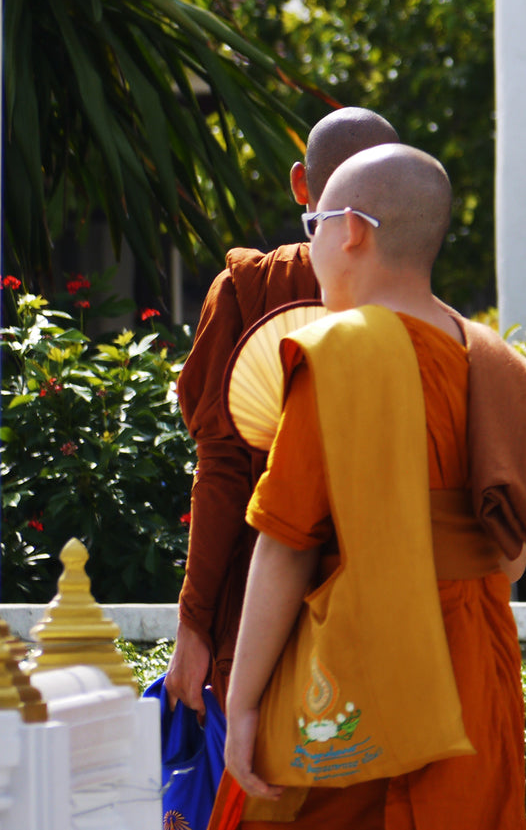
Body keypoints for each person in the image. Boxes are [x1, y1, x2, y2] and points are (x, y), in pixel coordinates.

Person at [217, 144, 526, 828]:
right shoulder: (500, 362)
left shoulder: (342, 352)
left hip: (367, 669)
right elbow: (514, 554)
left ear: (353, 230)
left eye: (314, 226)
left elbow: (285, 544)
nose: (309, 247)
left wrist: (244, 702)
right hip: (475, 678)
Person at [166, 107, 400, 718]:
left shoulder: (251, 288)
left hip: (256, 619)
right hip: (388, 621)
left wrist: (193, 623)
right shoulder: (428, 315)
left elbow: (222, 468)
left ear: (302, 184)